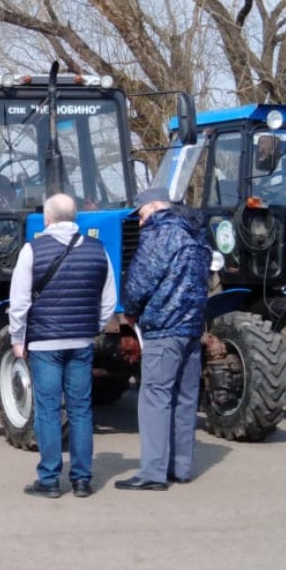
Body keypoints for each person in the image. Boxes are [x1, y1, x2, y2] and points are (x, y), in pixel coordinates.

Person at [9, 194, 115, 499]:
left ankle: (50, 480)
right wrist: (91, 327)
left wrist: (18, 340)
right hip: (81, 342)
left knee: (48, 410)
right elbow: (108, 300)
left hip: (44, 343)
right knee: (81, 409)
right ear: (75, 217)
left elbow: (19, 303)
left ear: (47, 218)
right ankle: (82, 480)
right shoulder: (98, 251)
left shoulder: (32, 250)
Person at [117, 187, 210, 491]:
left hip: (164, 328)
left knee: (154, 397)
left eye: (142, 214)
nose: (141, 222)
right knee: (185, 399)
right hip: (192, 329)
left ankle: (153, 473)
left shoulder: (161, 234)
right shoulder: (196, 233)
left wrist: (129, 310)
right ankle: (180, 467)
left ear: (156, 207)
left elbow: (141, 280)